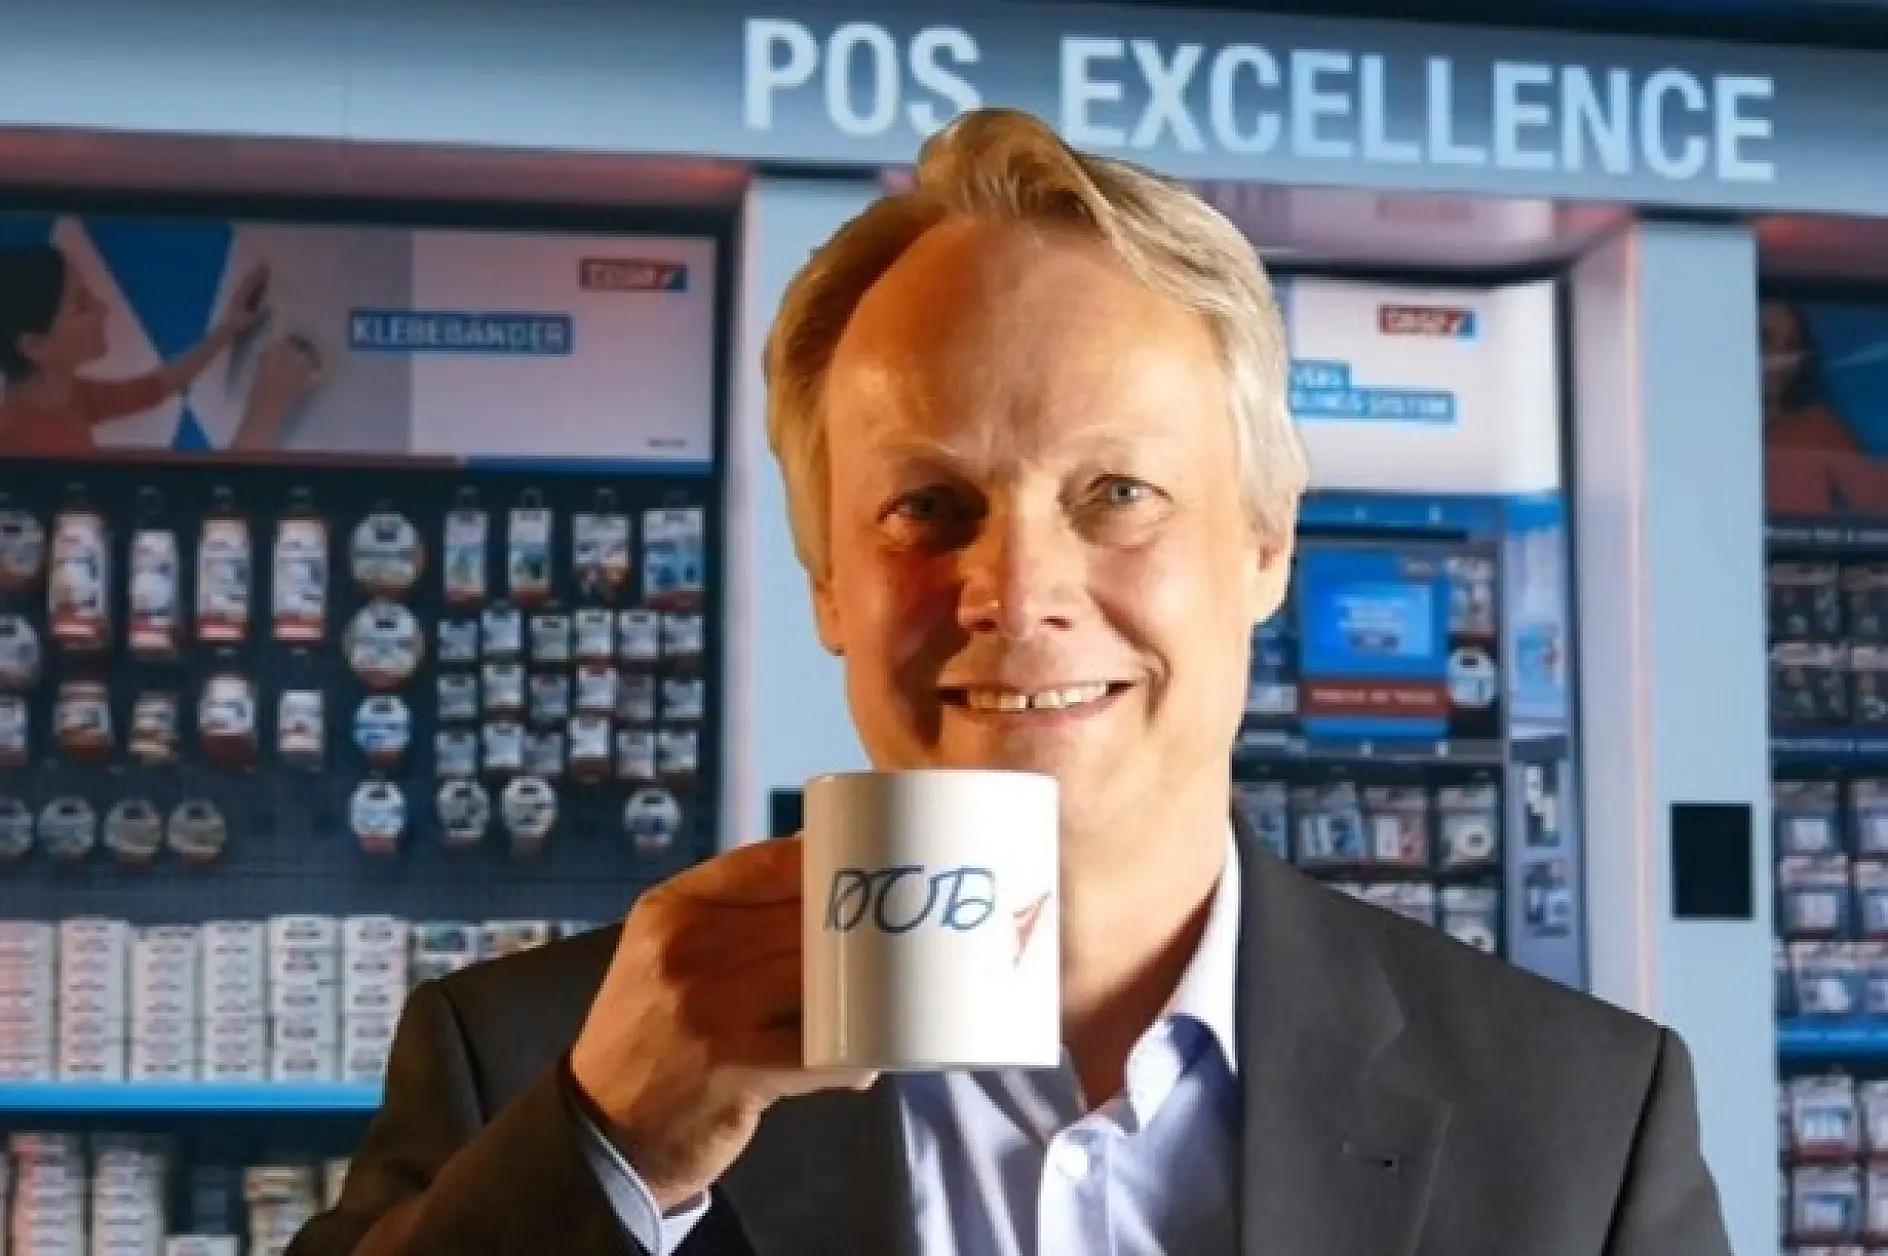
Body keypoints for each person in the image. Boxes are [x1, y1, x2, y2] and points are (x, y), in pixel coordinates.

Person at [287, 109, 1732, 1256]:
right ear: (827, 583)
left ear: (1264, 545)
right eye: (927, 506)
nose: (1016, 586)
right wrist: (609, 1158)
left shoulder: (1581, 1124)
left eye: (1116, 492)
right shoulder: (536, 1069)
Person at [0, 242, 316, 456]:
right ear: (36, 345)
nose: (102, 308)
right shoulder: (23, 448)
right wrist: (266, 409)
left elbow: (154, 388)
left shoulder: (63, 397)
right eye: (81, 304)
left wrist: (226, 329)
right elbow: (199, 521)